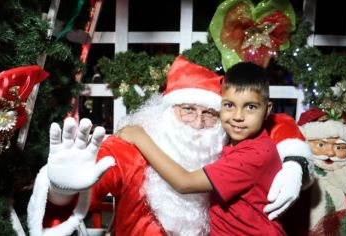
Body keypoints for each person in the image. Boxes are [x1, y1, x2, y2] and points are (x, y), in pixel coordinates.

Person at [27, 56, 312, 236]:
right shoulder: (134, 148)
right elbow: (97, 173)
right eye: (187, 109)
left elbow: (278, 123)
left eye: (209, 113)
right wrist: (62, 192)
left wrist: (295, 162)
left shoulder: (232, 139)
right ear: (166, 112)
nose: (198, 122)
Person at [118, 61, 287, 235]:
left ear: (267, 110)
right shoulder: (232, 138)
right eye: (229, 105)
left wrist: (139, 137)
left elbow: (185, 182)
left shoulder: (255, 154)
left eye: (250, 107)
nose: (238, 116)